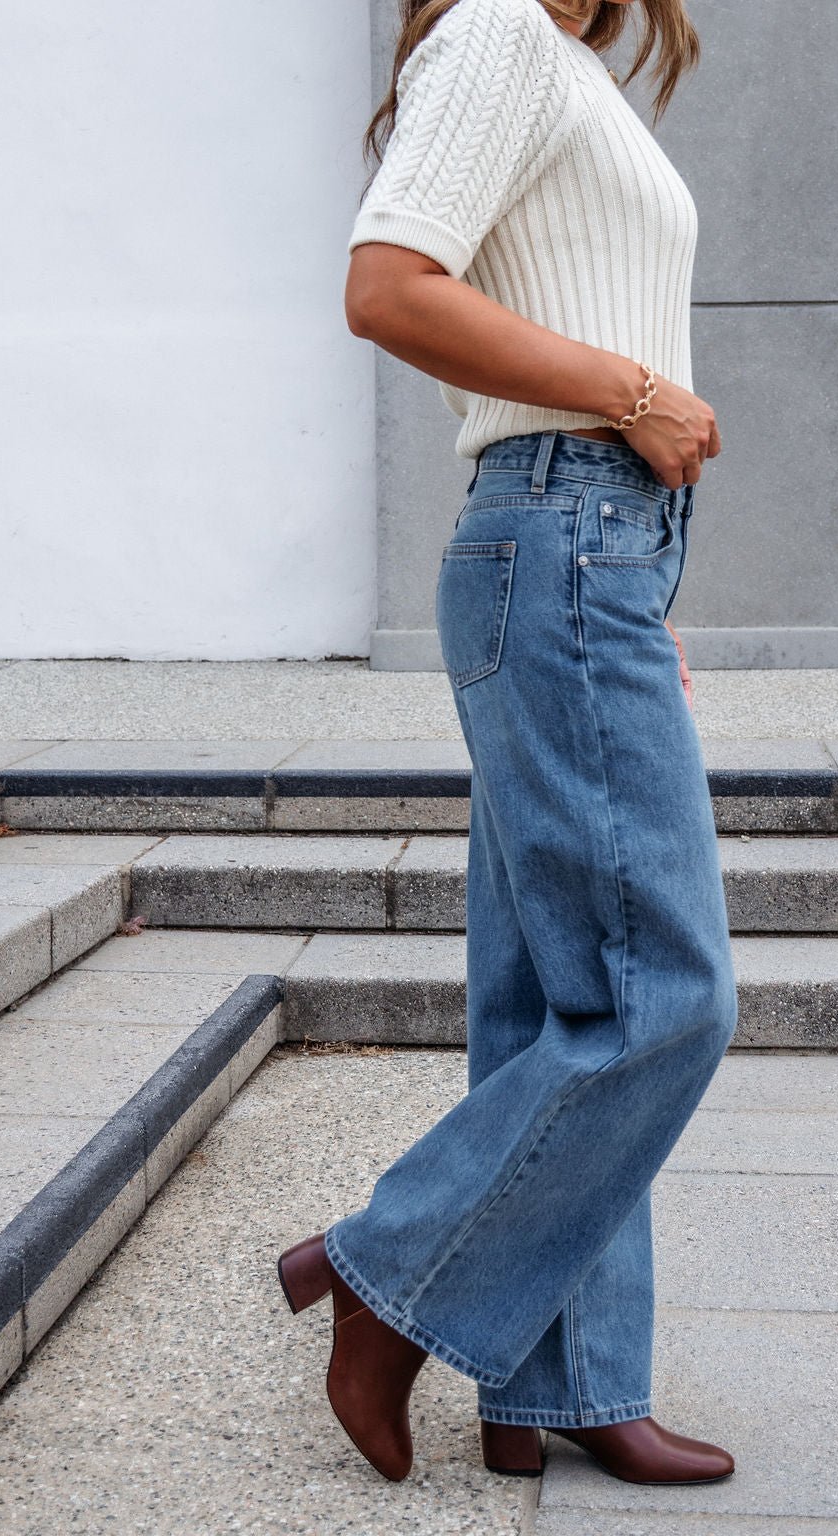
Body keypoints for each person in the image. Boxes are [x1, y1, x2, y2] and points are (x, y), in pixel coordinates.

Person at [277, 0, 739, 1489]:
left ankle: (566, 1381)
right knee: (669, 993)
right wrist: (637, 396)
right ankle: (384, 1271)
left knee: (559, 993)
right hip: (566, 527)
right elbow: (388, 287)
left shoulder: (569, 71)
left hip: (587, 556)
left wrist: (637, 589)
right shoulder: (495, 31)